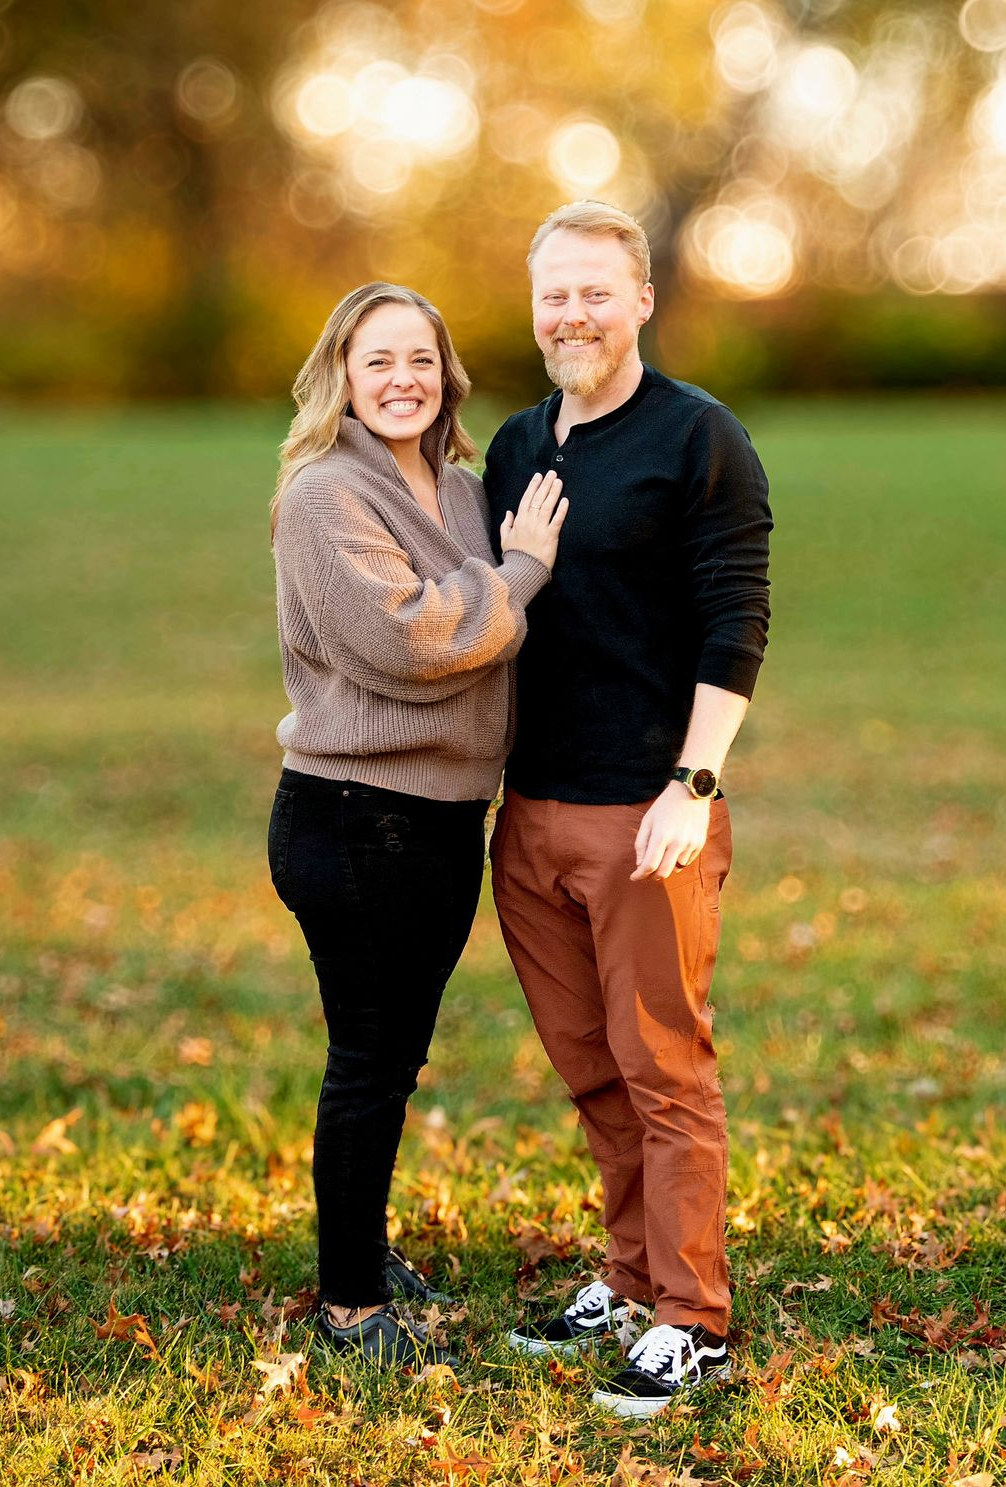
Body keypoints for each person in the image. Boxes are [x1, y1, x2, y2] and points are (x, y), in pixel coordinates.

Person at [484, 202, 772, 1416]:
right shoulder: (512, 445)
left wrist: (692, 787)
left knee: (664, 1068)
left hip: (645, 812)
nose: (572, 315)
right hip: (529, 811)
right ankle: (627, 1270)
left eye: (596, 292)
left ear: (642, 298)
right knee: (592, 1067)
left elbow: (734, 618)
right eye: (554, 294)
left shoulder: (699, 438)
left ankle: (693, 1314)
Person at [268, 282, 567, 1370]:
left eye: (422, 360)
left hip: (440, 819)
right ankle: (350, 1305)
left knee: (391, 1061)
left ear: (447, 375)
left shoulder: (457, 488)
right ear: (339, 374)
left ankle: (364, 1244)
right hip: (354, 817)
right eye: (378, 359)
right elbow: (412, 643)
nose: (403, 379)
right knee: (367, 1060)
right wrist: (523, 571)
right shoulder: (322, 495)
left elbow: (485, 627)